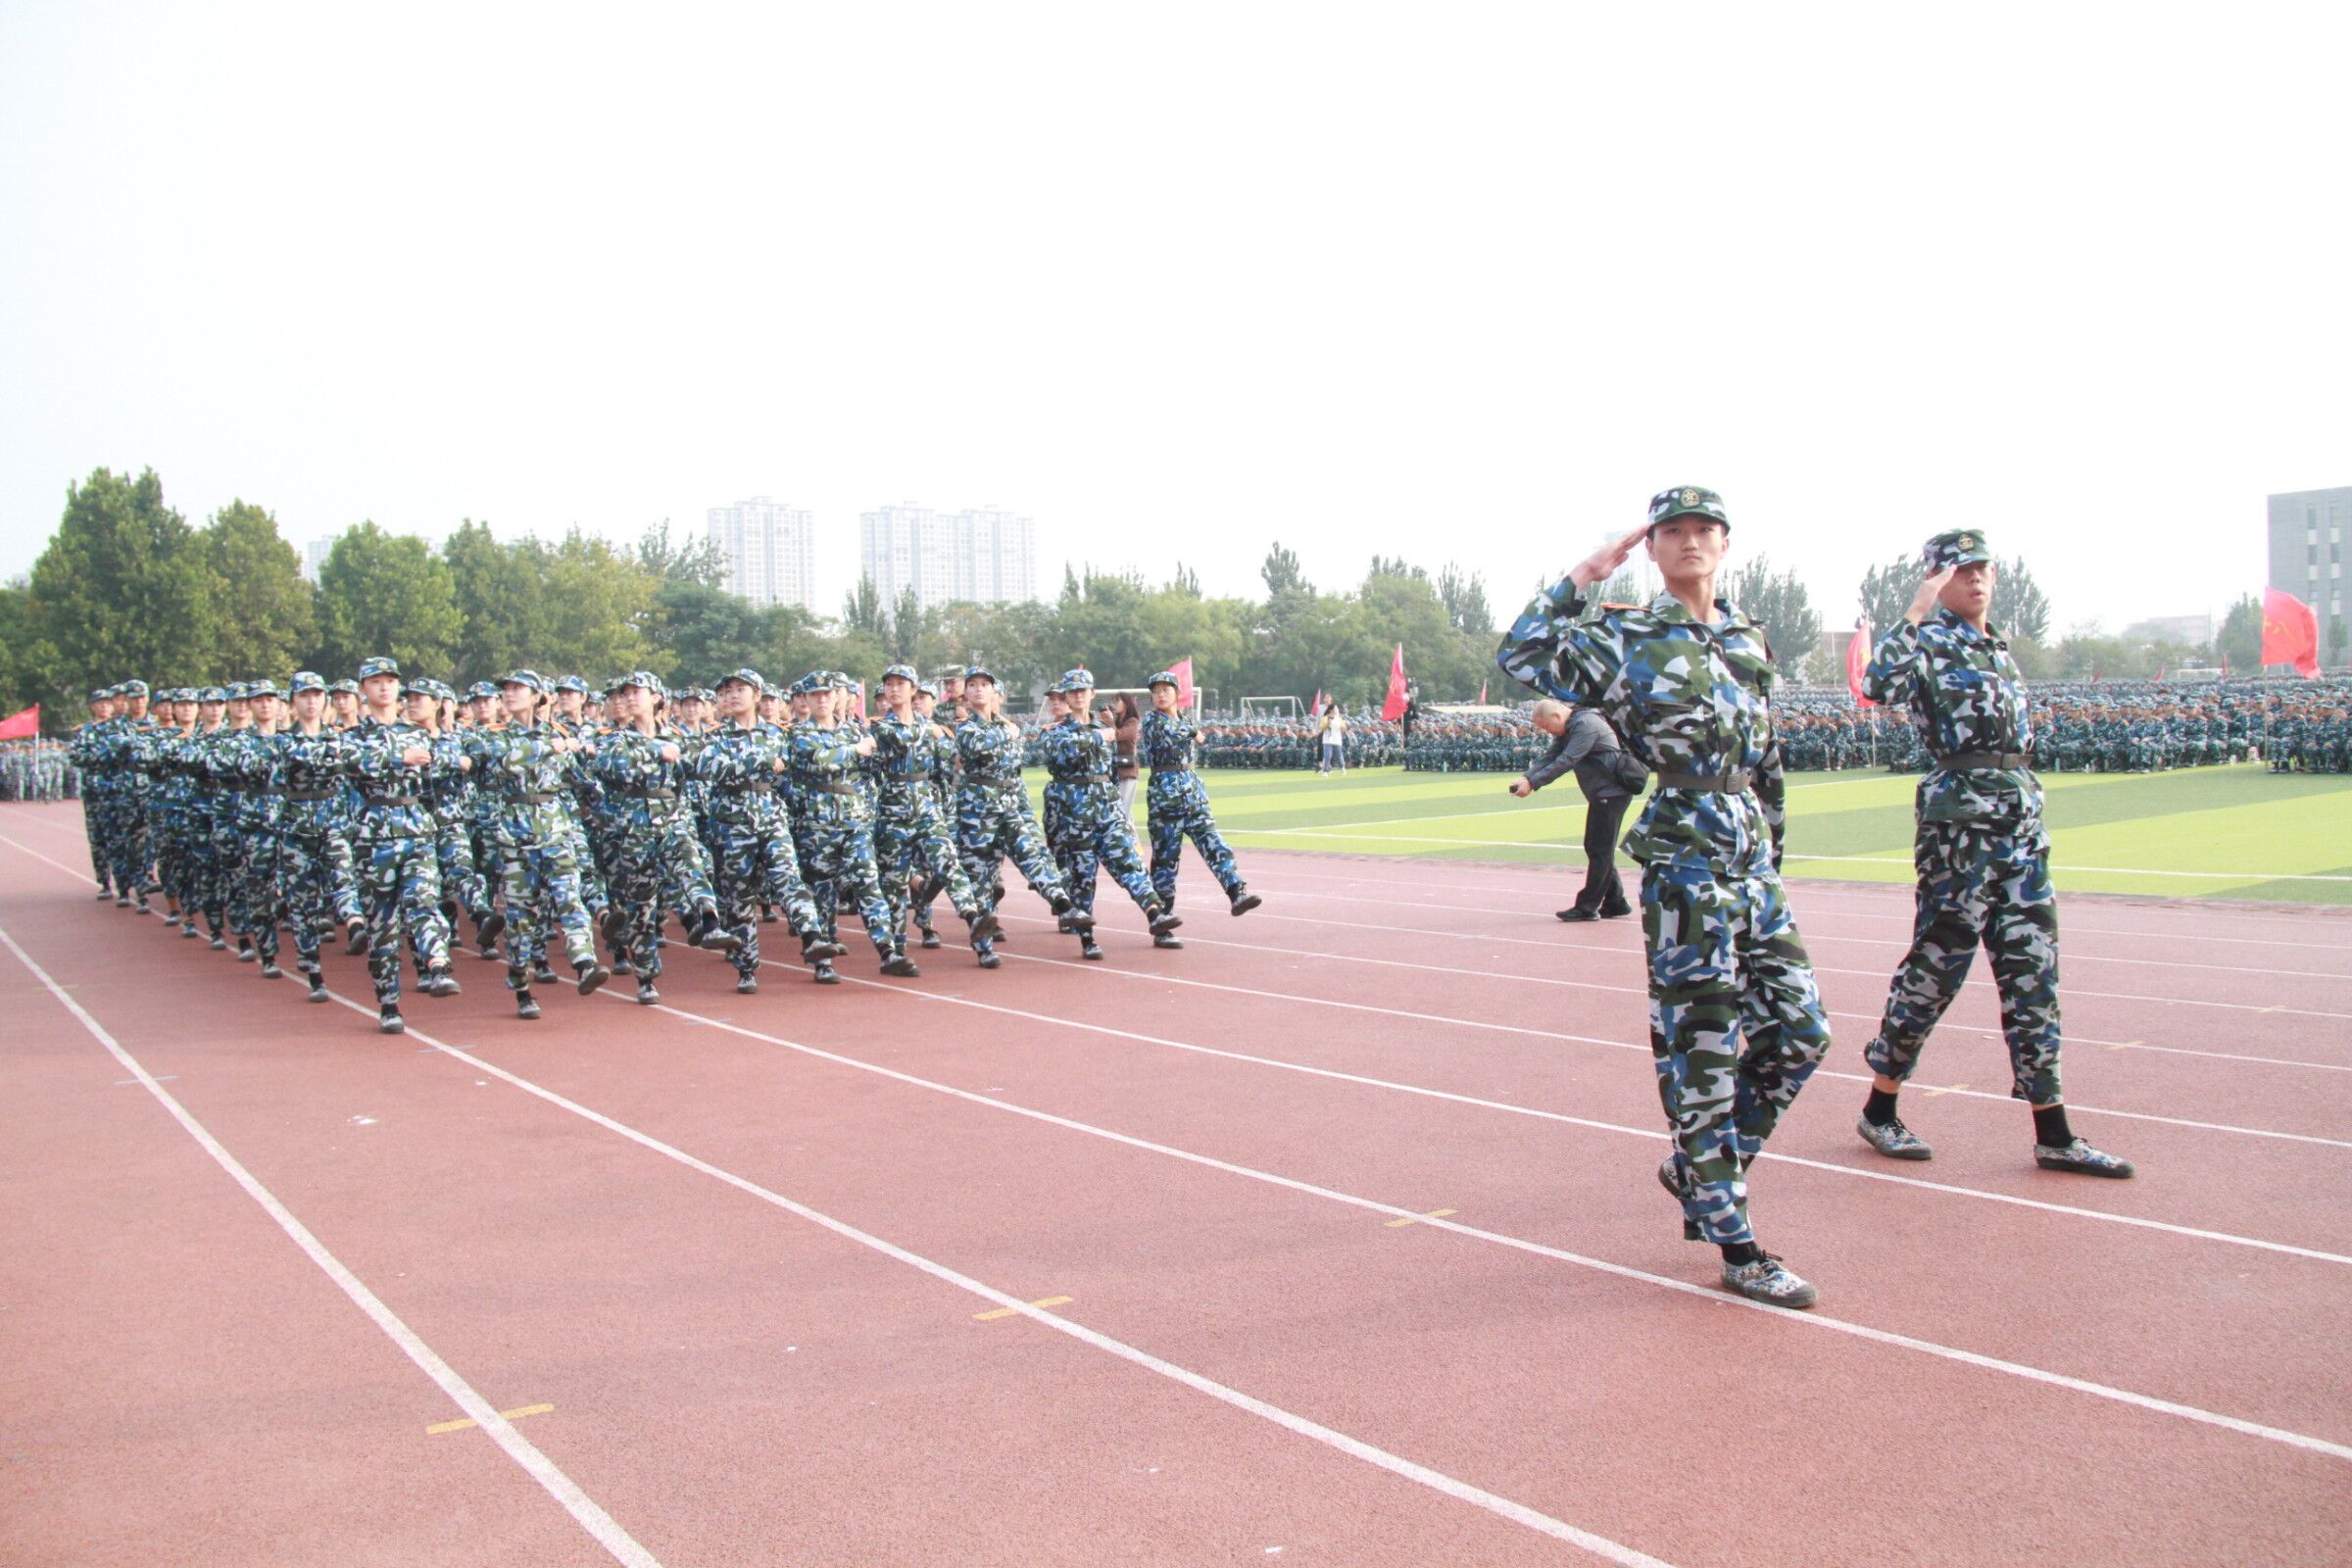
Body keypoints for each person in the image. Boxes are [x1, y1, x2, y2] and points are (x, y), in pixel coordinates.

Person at [1497, 485, 1834, 1309]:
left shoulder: (1748, 635)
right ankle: (1735, 1239)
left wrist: (1775, 850)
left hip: (1750, 856)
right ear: (1652, 548)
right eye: (1672, 531)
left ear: (1726, 542)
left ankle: (1694, 1169)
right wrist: (1586, 571)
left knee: (1804, 1031)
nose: (1690, 542)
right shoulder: (1624, 633)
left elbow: (1768, 754)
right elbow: (1522, 654)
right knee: (1704, 1050)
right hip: (1685, 859)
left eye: (1704, 530)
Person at [1854, 530, 2132, 1178]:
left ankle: (2054, 1131)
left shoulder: (1998, 646)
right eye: (1959, 571)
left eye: (1982, 568)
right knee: (1938, 969)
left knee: (2034, 973)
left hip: (2020, 819)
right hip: (1960, 824)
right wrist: (1915, 611)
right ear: (1936, 579)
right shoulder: (1925, 641)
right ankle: (1880, 1108)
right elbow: (1877, 683)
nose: (1974, 579)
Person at [479, 670, 612, 1018]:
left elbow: (579, 780)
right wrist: (546, 747)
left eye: (517, 688)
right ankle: (521, 985)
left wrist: (600, 802)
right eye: (505, 689)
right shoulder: (494, 736)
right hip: (516, 838)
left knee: (570, 898)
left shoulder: (562, 734)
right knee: (521, 919)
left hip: (556, 831)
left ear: (539, 695)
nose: (509, 694)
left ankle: (584, 962)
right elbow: (503, 764)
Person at [347, 658, 462, 1033]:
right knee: (383, 927)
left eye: (390, 681)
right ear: (363, 689)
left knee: (424, 899)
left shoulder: (416, 732)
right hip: (375, 836)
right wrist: (399, 758)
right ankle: (389, 1002)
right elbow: (351, 763)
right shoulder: (352, 736)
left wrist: (445, 747)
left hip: (415, 829)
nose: (384, 688)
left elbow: (440, 767)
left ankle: (438, 965)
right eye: (375, 682)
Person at [1041, 670, 1182, 959]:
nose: (1079, 695)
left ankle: (1155, 915)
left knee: (1130, 863)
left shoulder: (1103, 726)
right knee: (1083, 877)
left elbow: (1110, 771)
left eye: (1084, 690)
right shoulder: (1057, 731)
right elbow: (1060, 753)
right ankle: (1087, 939)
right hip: (1076, 814)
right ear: (1066, 698)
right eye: (1073, 692)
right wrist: (1097, 738)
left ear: (1092, 694)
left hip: (1107, 809)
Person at [954, 664, 1085, 969]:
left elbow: (1015, 772)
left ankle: (1063, 905)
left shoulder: (1007, 727)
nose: (977, 689)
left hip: (1009, 809)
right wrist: (1006, 734)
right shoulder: (966, 727)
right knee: (981, 880)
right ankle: (983, 946)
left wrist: (1024, 811)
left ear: (994, 692)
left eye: (983, 684)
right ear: (966, 694)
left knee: (1032, 854)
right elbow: (977, 745)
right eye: (971, 685)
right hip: (977, 816)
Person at [1140, 669, 1260, 934]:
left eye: (1165, 690)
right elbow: (1171, 733)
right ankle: (1164, 920)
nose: (1160, 695)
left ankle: (1236, 890)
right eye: (1156, 691)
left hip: (1193, 794)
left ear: (1176, 694)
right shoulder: (1152, 722)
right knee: (1165, 861)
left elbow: (1190, 733)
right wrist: (1194, 731)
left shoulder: (1184, 719)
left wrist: (1192, 730)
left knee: (1213, 842)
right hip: (1165, 798)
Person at [1512, 698, 1638, 922]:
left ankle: (1587, 907)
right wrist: (1527, 777)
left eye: (1547, 726)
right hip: (1604, 793)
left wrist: (1534, 783)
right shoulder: (1570, 727)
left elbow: (1567, 760)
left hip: (1611, 793)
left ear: (1557, 716)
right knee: (1597, 847)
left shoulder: (1585, 725)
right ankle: (1615, 901)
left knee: (1600, 849)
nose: (1547, 732)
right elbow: (1551, 756)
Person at [1109, 693, 1143, 824]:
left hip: (1128, 771)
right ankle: (1134, 844)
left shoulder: (1132, 721)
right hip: (1117, 770)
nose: (1114, 705)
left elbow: (1118, 735)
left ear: (1126, 704)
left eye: (1117, 701)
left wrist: (1110, 722)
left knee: (1122, 813)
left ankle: (1126, 842)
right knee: (1122, 812)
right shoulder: (1119, 722)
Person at [1317, 703, 1348, 775]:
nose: (1337, 710)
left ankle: (1342, 767)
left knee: (1339, 755)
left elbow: (1344, 728)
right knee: (1327, 755)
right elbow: (1322, 728)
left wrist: (1343, 727)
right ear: (1331, 710)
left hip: (1337, 739)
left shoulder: (1339, 718)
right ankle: (1325, 770)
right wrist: (1328, 723)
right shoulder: (1324, 718)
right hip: (1327, 740)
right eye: (1336, 708)